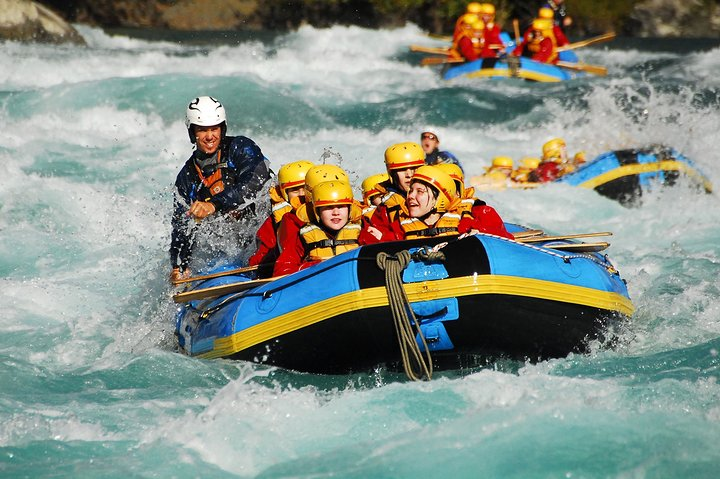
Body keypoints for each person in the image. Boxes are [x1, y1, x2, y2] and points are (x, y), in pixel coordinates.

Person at [170, 96, 271, 283]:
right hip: (232, 246)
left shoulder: (240, 148)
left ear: (222, 129)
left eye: (214, 128)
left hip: (265, 231)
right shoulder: (186, 178)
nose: (210, 136)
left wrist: (215, 204)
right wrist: (179, 266)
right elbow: (180, 227)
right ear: (193, 133)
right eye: (202, 130)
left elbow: (255, 181)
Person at [388, 166, 513, 240]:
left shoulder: (474, 216)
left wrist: (481, 236)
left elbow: (503, 242)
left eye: (420, 191)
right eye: (411, 191)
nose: (411, 196)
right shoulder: (399, 221)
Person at [273, 180, 369, 276]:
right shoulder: (304, 236)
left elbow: (380, 257)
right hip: (320, 284)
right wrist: (314, 266)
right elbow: (282, 270)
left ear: (350, 209)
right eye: (328, 207)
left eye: (341, 206)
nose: (336, 212)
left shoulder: (362, 230)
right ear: (317, 211)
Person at [247, 159, 314, 269]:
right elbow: (258, 258)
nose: (302, 195)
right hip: (289, 268)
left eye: (306, 189)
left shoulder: (331, 212)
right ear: (285, 194)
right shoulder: (273, 223)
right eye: (295, 190)